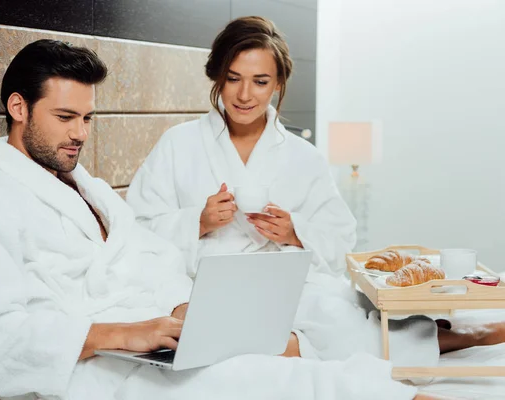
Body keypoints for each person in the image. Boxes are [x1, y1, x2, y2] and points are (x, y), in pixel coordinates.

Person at [0, 39, 440, 400]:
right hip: (84, 363)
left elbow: (147, 254)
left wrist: (180, 306)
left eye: (88, 118)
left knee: (302, 353)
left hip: (147, 332)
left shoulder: (86, 189)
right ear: (18, 108)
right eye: (65, 118)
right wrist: (124, 332)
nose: (81, 134)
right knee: (261, 379)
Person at [126, 16, 505, 373]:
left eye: (260, 81)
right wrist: (198, 221)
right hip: (199, 282)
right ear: (217, 78)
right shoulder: (178, 144)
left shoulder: (302, 156)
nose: (244, 94)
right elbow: (133, 230)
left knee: (340, 324)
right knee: (215, 329)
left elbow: (341, 236)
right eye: (233, 78)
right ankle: (294, 345)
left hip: (286, 283)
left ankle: (455, 335)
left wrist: (294, 232)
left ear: (277, 84)